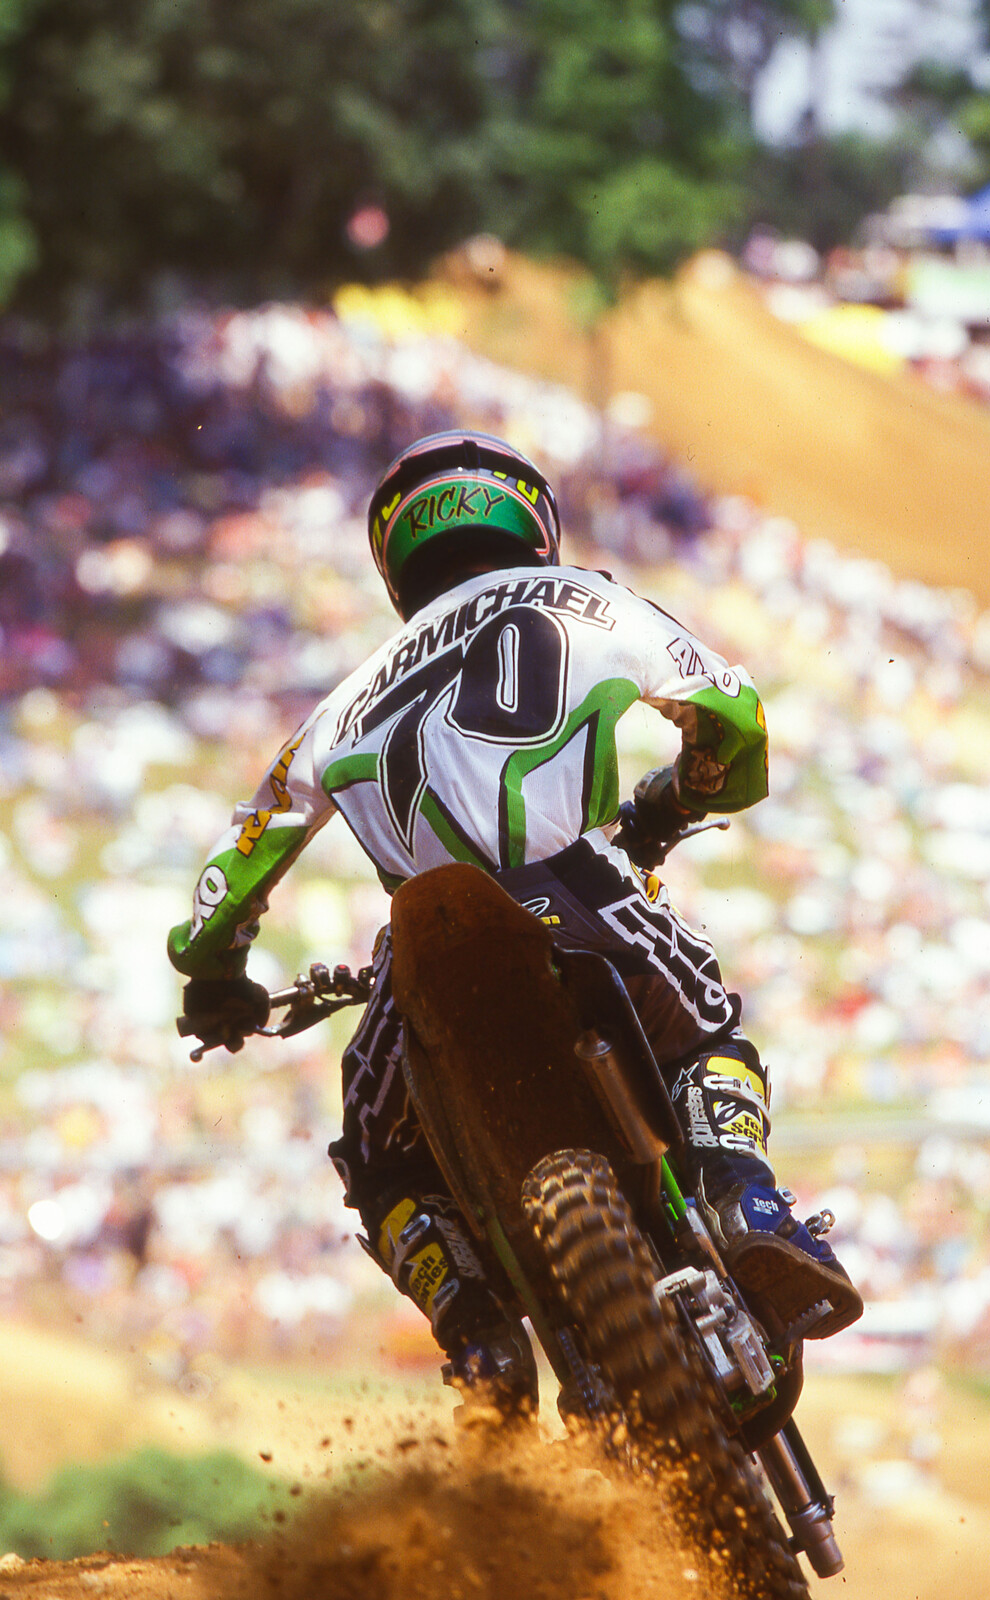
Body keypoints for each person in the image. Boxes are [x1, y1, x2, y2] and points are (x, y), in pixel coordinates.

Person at [169, 430, 862, 1416]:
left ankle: (477, 1340)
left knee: (379, 1160)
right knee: (704, 1027)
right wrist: (683, 795)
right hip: (574, 882)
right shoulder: (588, 596)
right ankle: (743, 1196)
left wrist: (214, 975)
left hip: (418, 950)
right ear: (532, 520)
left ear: (394, 562)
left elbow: (228, 875)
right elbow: (733, 714)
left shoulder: (333, 711)